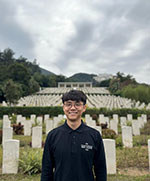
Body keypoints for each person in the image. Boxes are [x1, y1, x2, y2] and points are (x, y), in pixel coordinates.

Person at [41, 90, 107, 181]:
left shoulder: (94, 136)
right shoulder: (53, 136)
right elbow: (46, 170)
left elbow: (101, 170)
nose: (72, 108)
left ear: (84, 108)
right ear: (63, 107)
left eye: (77, 104)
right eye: (68, 104)